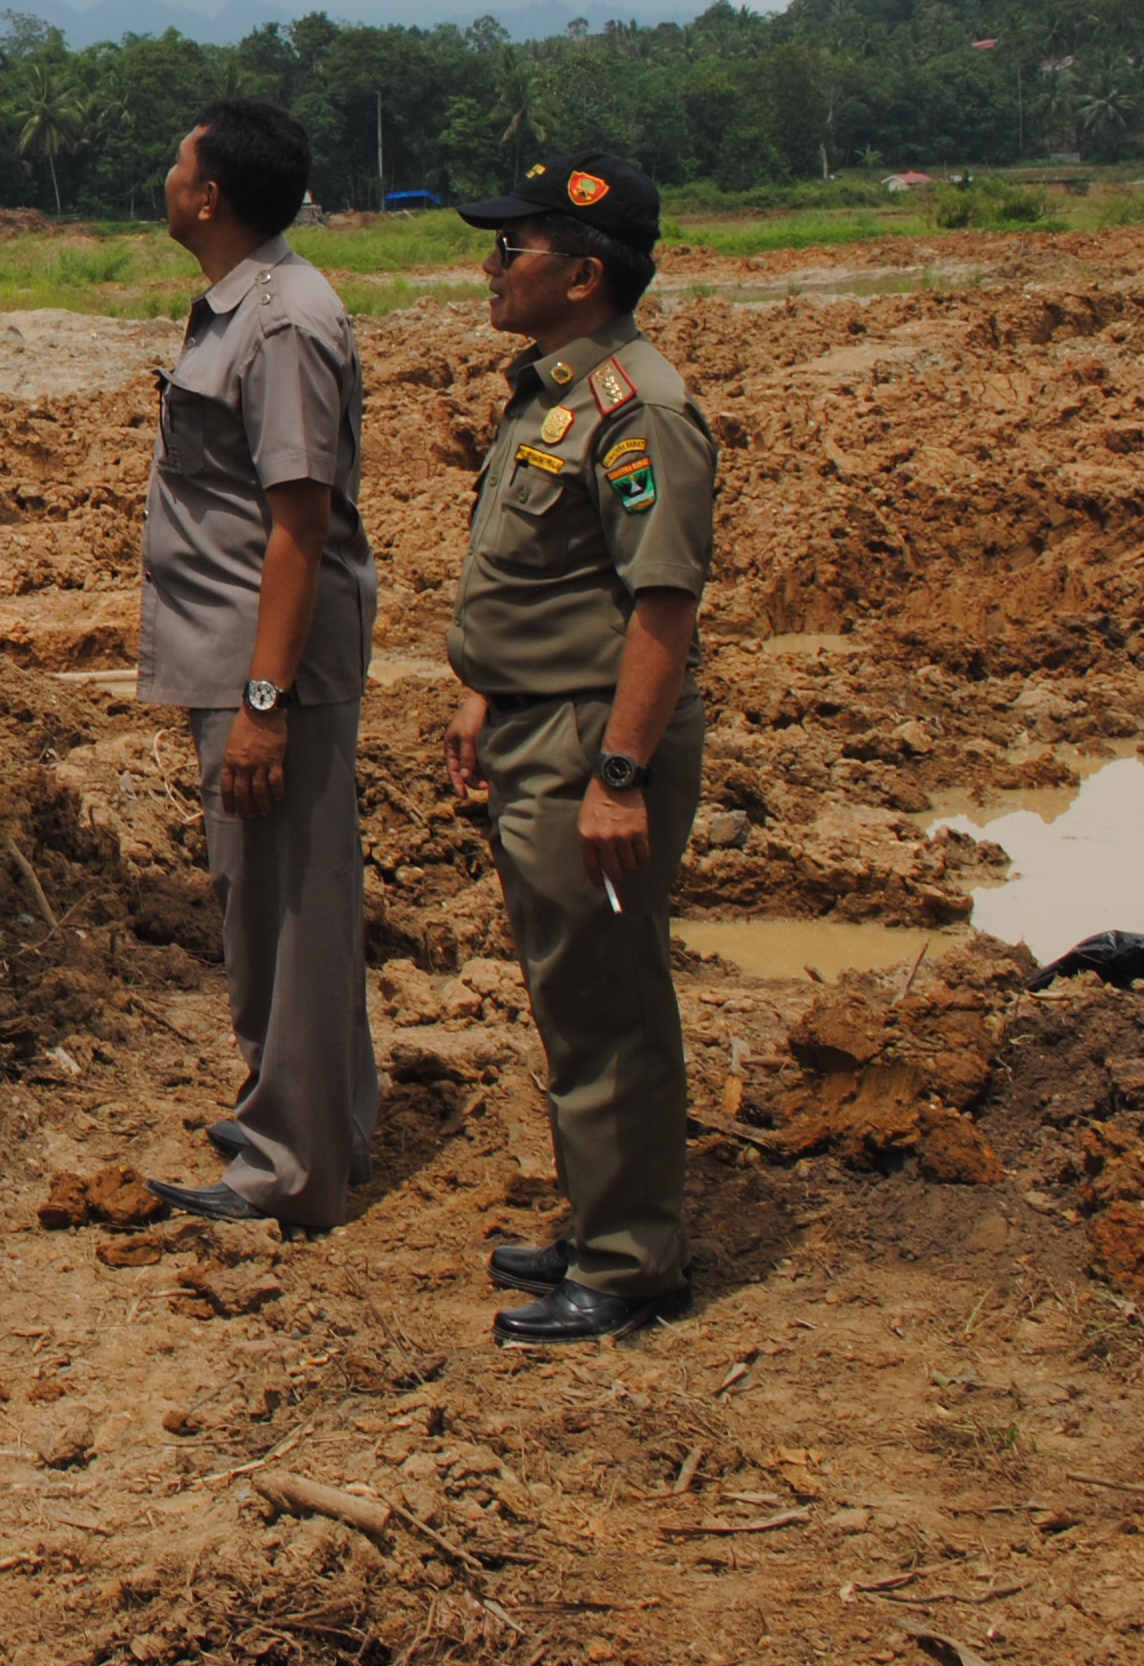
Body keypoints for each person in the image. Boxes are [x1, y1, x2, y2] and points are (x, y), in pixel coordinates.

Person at [443, 153, 718, 1344]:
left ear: (583, 272)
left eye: (513, 249)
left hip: (590, 739)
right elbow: (541, 577)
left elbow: (660, 608)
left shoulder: (637, 407)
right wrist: (478, 694)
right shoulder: (558, 390)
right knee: (569, 988)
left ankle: (629, 1262)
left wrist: (616, 776)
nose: (490, 267)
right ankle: (598, 1215)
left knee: (607, 1000)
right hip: (535, 723)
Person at [130, 102, 384, 1229]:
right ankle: (324, 1120)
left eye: (176, 159)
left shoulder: (278, 323)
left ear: (208, 196)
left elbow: (298, 524)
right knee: (278, 897)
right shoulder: (249, 304)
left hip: (266, 669)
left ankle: (290, 1167)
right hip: (243, 663)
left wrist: (265, 705)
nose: (166, 173)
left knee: (286, 905)